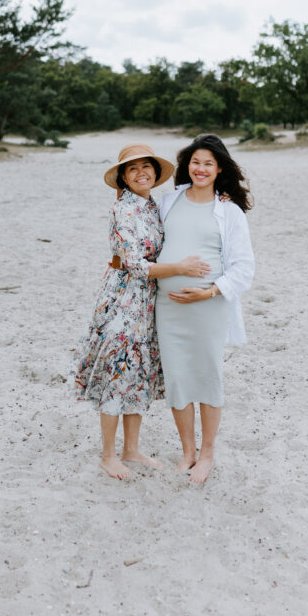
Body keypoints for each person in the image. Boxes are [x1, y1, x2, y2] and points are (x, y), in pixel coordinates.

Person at [74, 143, 210, 480]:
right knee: (116, 371)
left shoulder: (154, 206)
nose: (141, 174)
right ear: (122, 177)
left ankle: (131, 449)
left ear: (155, 172)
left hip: (148, 299)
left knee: (138, 371)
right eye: (132, 169)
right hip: (122, 296)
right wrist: (181, 267)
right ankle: (108, 455)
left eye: (146, 167)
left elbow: (194, 198)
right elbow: (135, 265)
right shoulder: (123, 210)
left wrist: (220, 197)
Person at [156, 134, 254, 484]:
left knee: (207, 376)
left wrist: (209, 292)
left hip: (209, 307)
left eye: (208, 163)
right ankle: (188, 451)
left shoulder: (229, 211)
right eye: (195, 162)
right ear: (187, 166)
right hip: (167, 307)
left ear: (219, 169)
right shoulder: (169, 201)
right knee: (178, 378)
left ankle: (208, 453)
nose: (200, 168)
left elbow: (244, 268)